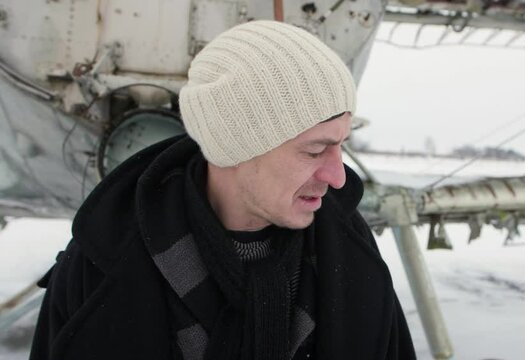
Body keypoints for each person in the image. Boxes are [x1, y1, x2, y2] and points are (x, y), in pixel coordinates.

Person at [30, 20, 416, 360]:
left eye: (341, 145)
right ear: (234, 145)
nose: (338, 176)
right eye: (314, 150)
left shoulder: (352, 253)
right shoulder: (101, 262)